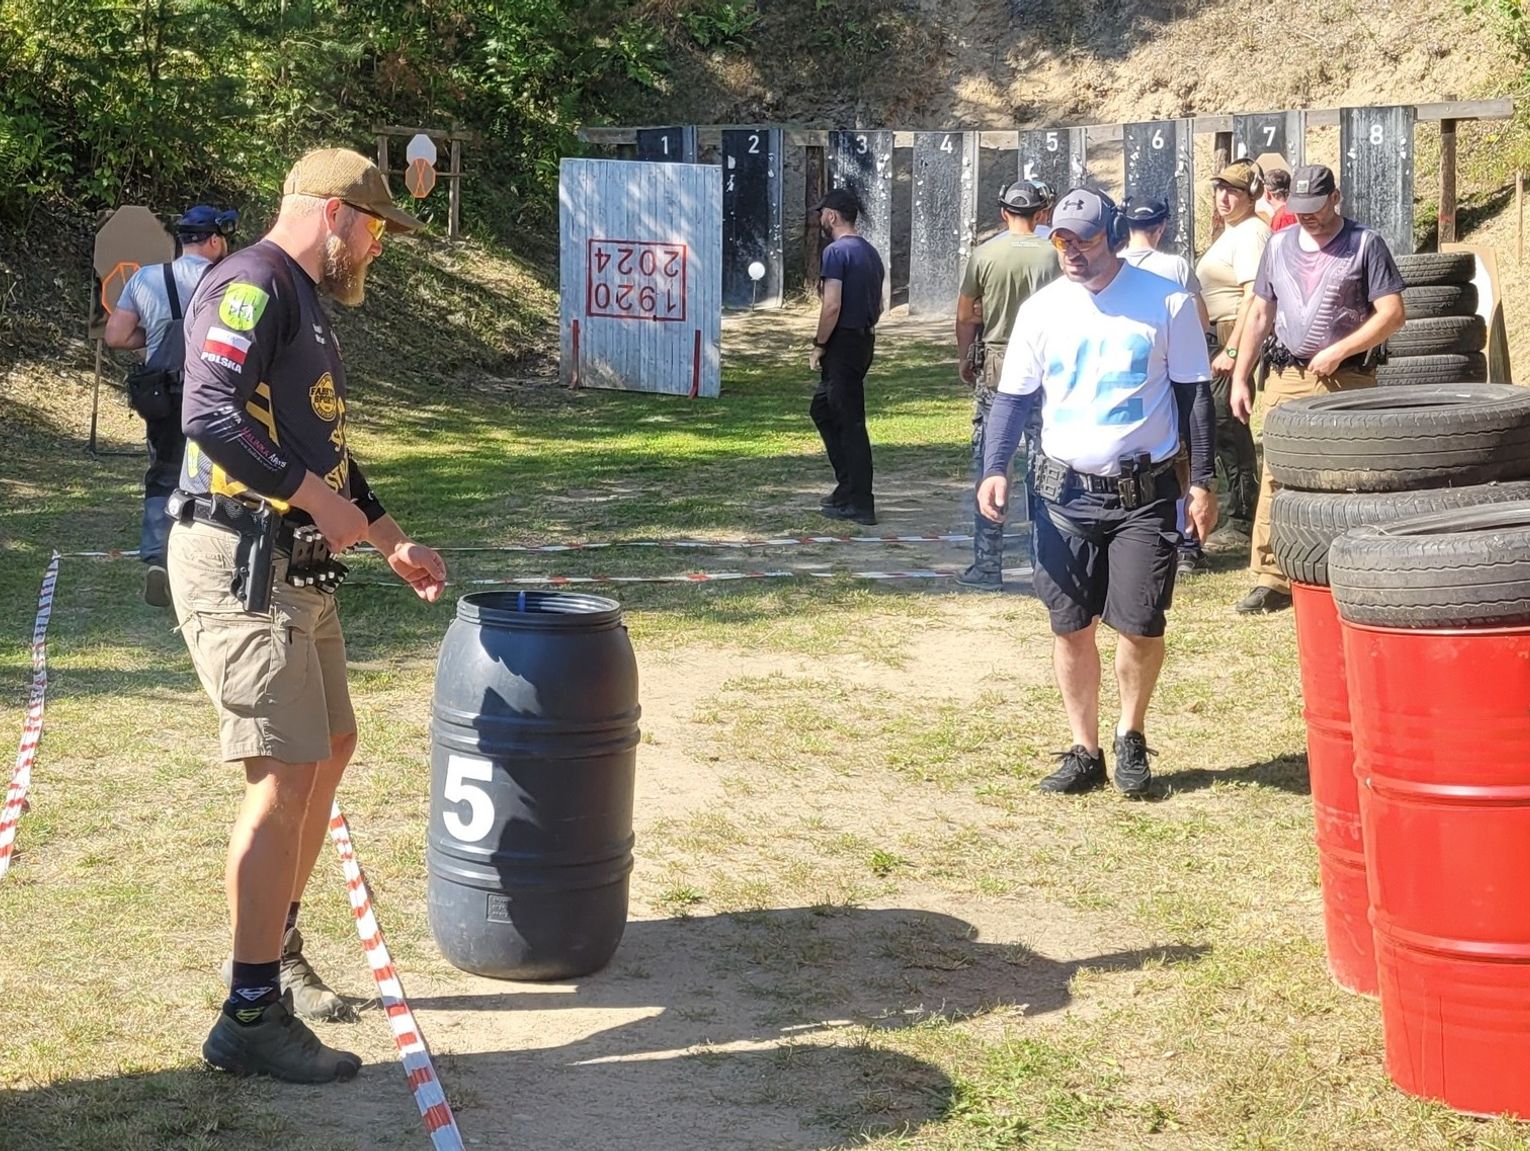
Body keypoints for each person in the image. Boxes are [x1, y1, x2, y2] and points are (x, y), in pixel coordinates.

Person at [168, 148, 448, 1082]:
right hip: (241, 560)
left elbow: (326, 451)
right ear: (334, 213)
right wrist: (310, 498)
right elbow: (206, 412)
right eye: (374, 228)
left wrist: (388, 535)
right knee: (282, 776)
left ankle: (277, 953)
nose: (377, 246)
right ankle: (249, 1013)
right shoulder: (248, 283)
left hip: (301, 564)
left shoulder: (307, 301)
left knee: (330, 745)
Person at [977, 188, 1217, 798]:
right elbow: (1013, 399)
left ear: (1110, 234)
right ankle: (1084, 750)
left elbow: (1194, 394)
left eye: (1084, 239)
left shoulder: (1166, 301)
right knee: (1070, 624)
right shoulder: (1043, 310)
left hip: (1144, 491)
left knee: (1139, 624)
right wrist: (994, 467)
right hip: (1062, 493)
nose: (1072, 252)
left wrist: (1204, 481)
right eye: (1061, 240)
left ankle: (1130, 735)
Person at [1229, 164, 1406, 614]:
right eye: (1299, 208)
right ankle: (1272, 576)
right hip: (1288, 376)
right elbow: (1260, 315)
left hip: (1348, 378)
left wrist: (1342, 348)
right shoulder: (1278, 245)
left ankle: (1351, 566)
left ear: (1335, 199)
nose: (1306, 216)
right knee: (1277, 474)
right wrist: (1240, 375)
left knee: (1352, 475)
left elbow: (1392, 314)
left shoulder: (1366, 244)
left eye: (1315, 207)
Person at [104, 205, 238, 607]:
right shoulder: (228, 278)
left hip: (163, 394)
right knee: (219, 471)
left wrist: (158, 335)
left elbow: (116, 335)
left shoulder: (147, 278)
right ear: (214, 240)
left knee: (164, 471)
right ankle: (216, 557)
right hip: (215, 390)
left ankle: (158, 556)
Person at [953, 180, 1060, 588]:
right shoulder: (1055, 253)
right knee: (1044, 465)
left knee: (992, 462)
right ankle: (1044, 566)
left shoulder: (984, 255)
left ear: (1003, 213)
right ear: (1041, 213)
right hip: (1046, 364)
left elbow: (965, 316)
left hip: (997, 364)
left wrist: (965, 357)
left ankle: (987, 565)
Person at [1120, 197, 1212, 576]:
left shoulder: (1117, 264)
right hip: (1175, 372)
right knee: (1184, 453)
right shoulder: (1174, 264)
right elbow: (1200, 317)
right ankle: (1188, 541)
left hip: (1141, 370)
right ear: (1161, 228)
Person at [1195, 160, 1270, 546]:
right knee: (1221, 424)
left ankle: (1243, 517)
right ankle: (1238, 510)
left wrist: (1234, 349)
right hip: (1219, 335)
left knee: (1228, 424)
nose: (1224, 197)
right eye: (1220, 189)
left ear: (1251, 195)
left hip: (1229, 335)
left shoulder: (1251, 233)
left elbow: (1253, 296)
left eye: (1235, 191)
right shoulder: (1236, 232)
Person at [811, 187, 886, 527]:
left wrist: (820, 343)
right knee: (823, 409)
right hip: (863, 340)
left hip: (842, 343)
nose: (820, 219)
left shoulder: (836, 253)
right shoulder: (870, 253)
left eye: (822, 213)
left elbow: (832, 305)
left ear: (832, 215)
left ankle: (860, 501)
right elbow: (880, 305)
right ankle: (847, 487)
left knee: (850, 423)